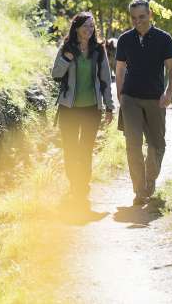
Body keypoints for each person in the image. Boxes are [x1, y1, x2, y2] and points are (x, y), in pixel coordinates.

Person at [115, 0, 172, 206]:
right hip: (130, 98)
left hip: (155, 99)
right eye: (134, 18)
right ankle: (139, 190)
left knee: (156, 144)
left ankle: (149, 182)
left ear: (150, 14)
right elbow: (120, 68)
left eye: (142, 17)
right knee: (133, 144)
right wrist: (120, 93)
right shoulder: (125, 39)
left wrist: (169, 92)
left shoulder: (164, 38)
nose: (138, 21)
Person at [52, 12, 115, 205]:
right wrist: (67, 59)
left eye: (92, 26)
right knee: (70, 149)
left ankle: (83, 184)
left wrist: (109, 107)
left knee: (86, 149)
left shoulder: (98, 50)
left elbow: (105, 79)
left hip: (91, 109)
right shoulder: (67, 48)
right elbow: (55, 74)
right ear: (77, 27)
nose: (89, 30)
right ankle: (74, 184)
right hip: (68, 109)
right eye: (86, 26)